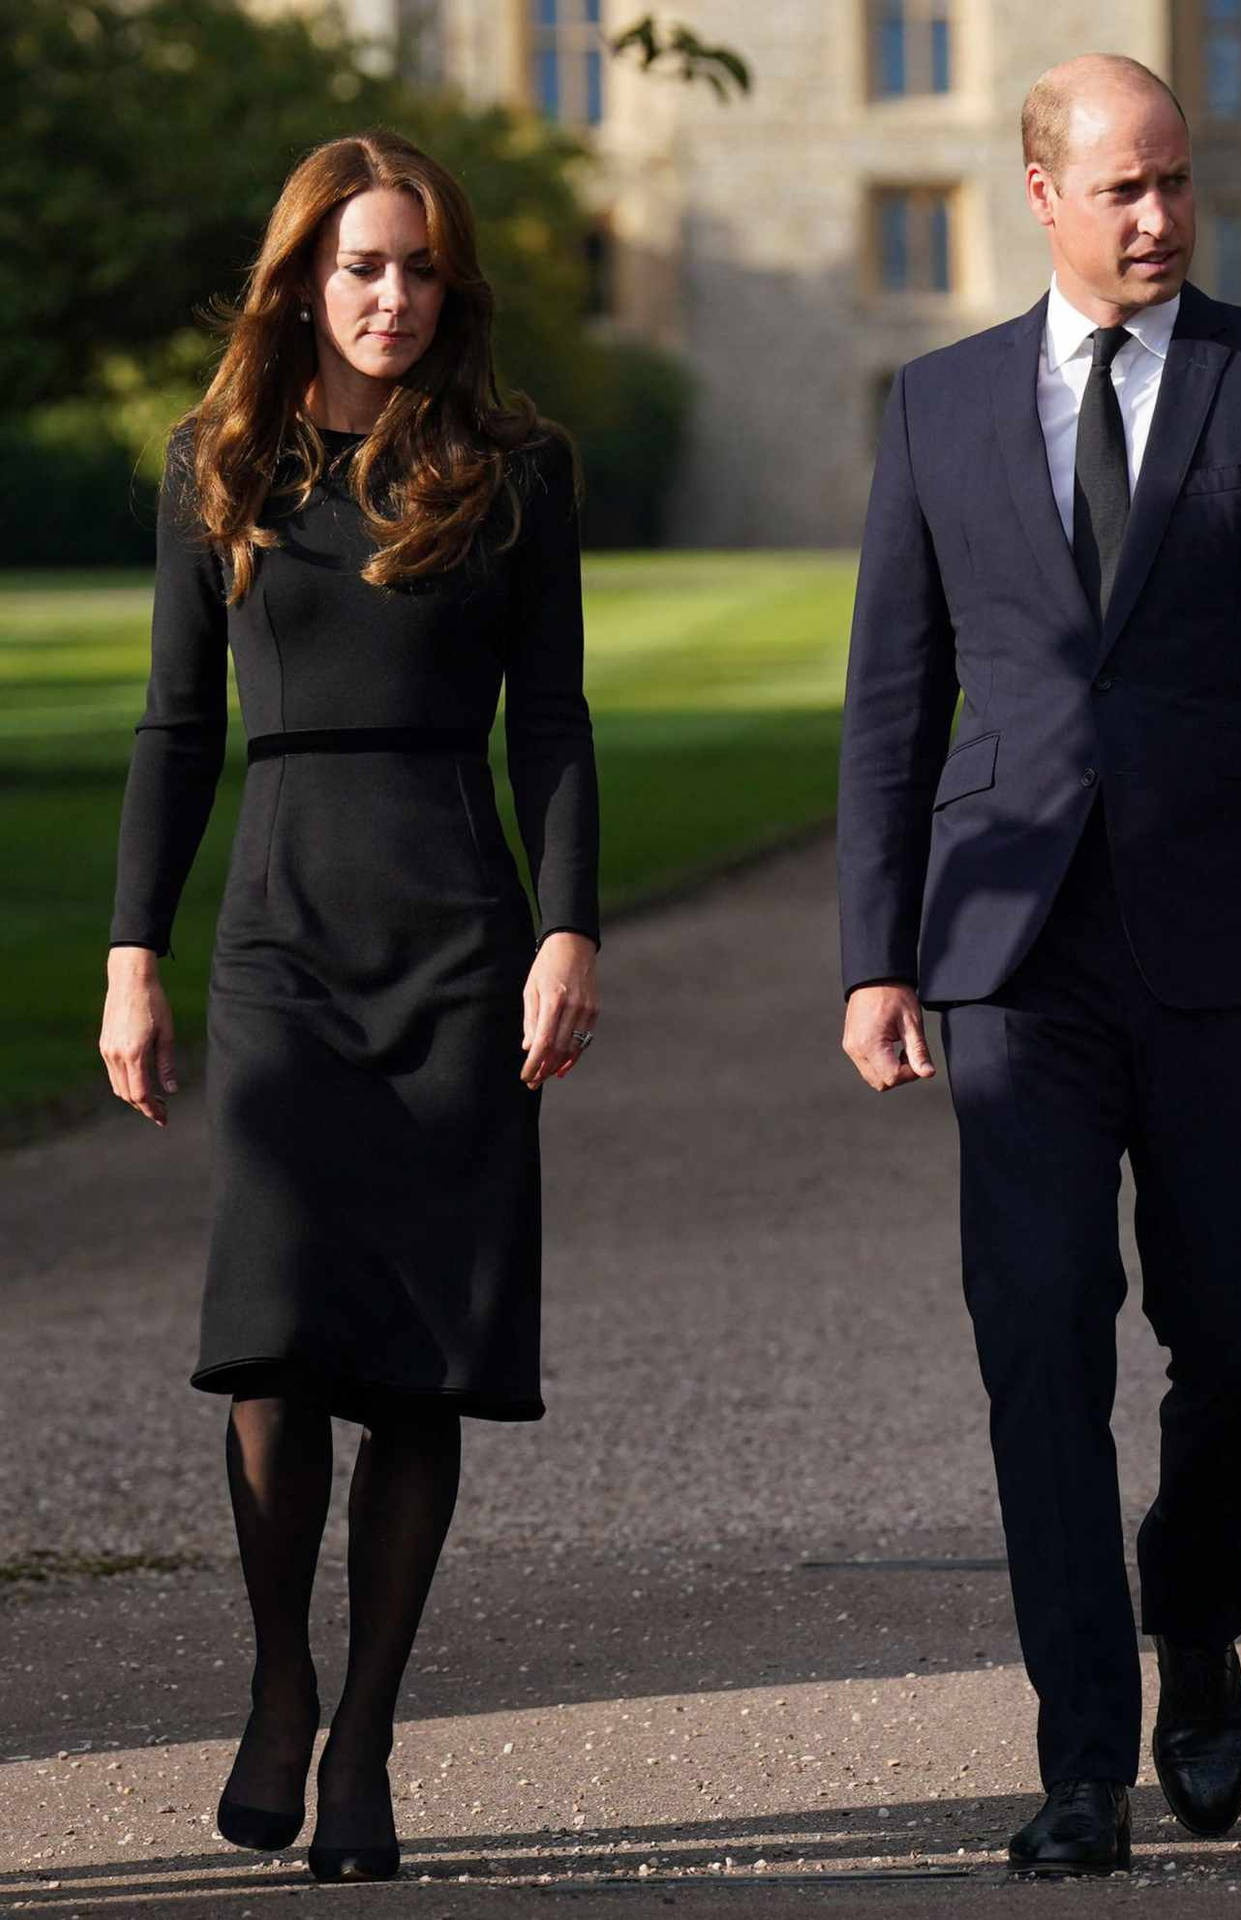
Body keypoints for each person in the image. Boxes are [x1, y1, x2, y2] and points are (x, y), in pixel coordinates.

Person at [838, 54, 1241, 1877]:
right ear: (1040, 192)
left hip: (1236, 943)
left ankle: (1201, 1620)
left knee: (1235, 1331)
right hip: (1010, 950)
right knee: (1037, 1337)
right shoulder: (933, 406)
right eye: (1125, 189)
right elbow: (892, 703)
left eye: (1174, 185)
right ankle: (1082, 1752)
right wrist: (876, 956)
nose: (1161, 217)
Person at [99, 129, 600, 1884]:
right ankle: (281, 1680)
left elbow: (553, 721)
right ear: (304, 277)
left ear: (450, 288)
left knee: (419, 1366)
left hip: (460, 929)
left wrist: (570, 928)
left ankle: (372, 1736)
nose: (394, 297)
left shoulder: (518, 469)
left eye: (420, 269)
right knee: (276, 1334)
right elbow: (174, 728)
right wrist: (130, 956)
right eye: (362, 266)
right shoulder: (216, 463)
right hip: (280, 933)